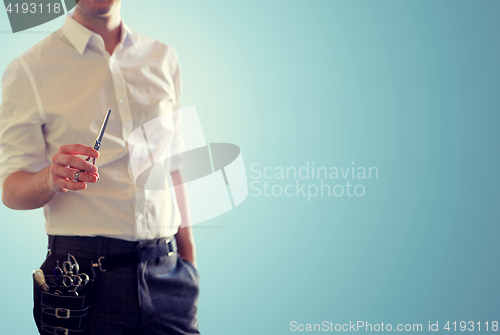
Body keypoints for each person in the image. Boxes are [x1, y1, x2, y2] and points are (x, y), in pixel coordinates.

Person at [0, 0, 200, 334]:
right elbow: (10, 190)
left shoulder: (165, 58)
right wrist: (51, 178)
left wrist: (189, 258)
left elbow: (175, 165)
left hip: (170, 276)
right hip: (81, 278)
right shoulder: (28, 70)